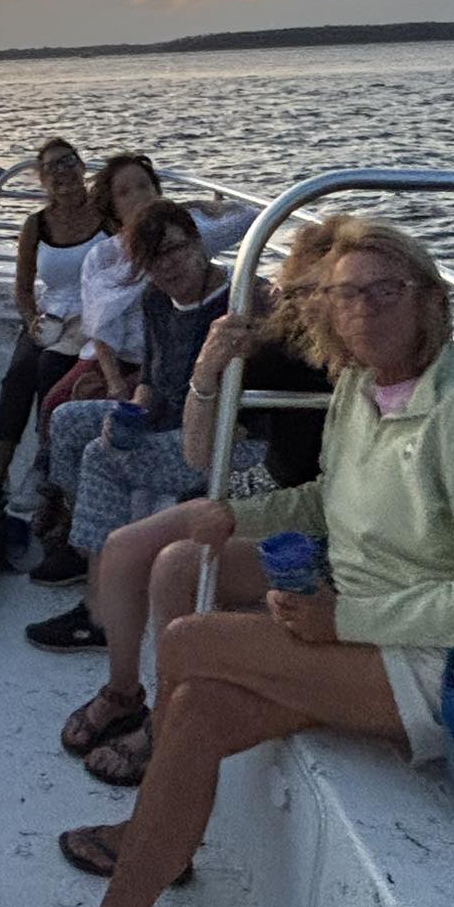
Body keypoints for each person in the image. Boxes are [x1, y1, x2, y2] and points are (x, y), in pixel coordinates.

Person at [2, 216, 454, 907]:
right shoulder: (360, 393)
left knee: (187, 644)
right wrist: (235, 513)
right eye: (344, 295)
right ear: (323, 314)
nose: (363, 310)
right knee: (197, 712)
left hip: (446, 666)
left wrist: (345, 619)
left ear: (431, 303)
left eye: (385, 291)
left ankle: (154, 838)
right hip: (368, 635)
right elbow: (327, 502)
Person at [38, 220, 335, 785]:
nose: (329, 305)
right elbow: (190, 431)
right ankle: (122, 688)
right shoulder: (263, 339)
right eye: (306, 292)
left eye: (338, 289)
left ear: (201, 246)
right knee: (82, 439)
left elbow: (217, 454)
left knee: (158, 540)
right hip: (248, 470)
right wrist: (191, 379)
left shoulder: (294, 334)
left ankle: (161, 714)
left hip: (264, 477)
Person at [23, 200, 267, 606]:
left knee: (101, 458)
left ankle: (101, 608)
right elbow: (152, 380)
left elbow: (253, 406)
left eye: (175, 250)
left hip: (227, 440)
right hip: (167, 419)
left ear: (199, 243)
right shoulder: (156, 299)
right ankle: (84, 545)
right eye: (153, 259)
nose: (167, 266)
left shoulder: (242, 301)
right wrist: (130, 412)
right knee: (67, 419)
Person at [0, 137, 107, 493]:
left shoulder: (106, 216)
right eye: (51, 167)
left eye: (68, 161)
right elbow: (23, 288)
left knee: (49, 370)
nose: (62, 172)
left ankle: (47, 463)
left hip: (94, 313)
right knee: (17, 376)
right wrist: (31, 320)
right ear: (42, 180)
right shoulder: (36, 225)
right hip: (52, 315)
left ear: (83, 167)